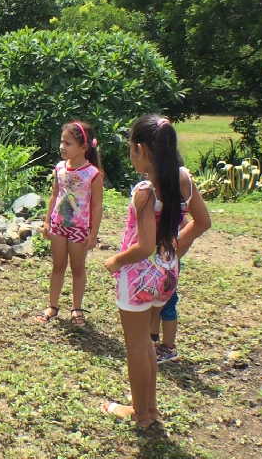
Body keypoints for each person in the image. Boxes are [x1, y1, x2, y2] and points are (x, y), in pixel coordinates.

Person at [101, 114, 186, 429]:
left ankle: (141, 415)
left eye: (130, 148)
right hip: (166, 275)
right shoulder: (179, 180)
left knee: (136, 346)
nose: (129, 154)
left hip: (139, 278)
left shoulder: (145, 191)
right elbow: (196, 223)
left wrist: (116, 260)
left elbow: (145, 246)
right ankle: (149, 409)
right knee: (148, 343)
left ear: (140, 149)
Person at [37, 121, 104, 327]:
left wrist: (93, 234)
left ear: (84, 147)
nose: (62, 147)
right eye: (61, 142)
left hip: (79, 229)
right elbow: (55, 194)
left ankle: (76, 309)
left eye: (68, 143)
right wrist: (47, 221)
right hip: (58, 226)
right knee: (57, 266)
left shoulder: (93, 173)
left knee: (77, 268)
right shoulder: (59, 168)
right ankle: (53, 306)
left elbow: (96, 206)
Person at [150, 165, 211, 363]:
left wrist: (174, 248)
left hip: (166, 261)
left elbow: (195, 223)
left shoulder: (176, 188)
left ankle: (167, 346)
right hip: (156, 258)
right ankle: (154, 342)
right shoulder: (164, 194)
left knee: (166, 304)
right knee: (155, 302)